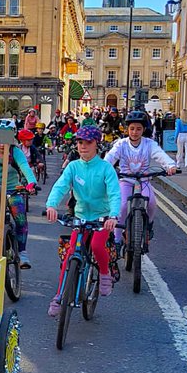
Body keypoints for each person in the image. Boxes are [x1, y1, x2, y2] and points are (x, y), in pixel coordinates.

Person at [45, 125, 120, 316]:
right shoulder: (73, 167)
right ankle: (59, 296)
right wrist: (51, 206)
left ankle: (104, 274)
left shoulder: (106, 168)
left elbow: (114, 194)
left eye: (88, 142)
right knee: (70, 253)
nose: (83, 146)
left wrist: (113, 216)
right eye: (80, 142)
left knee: (96, 245)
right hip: (80, 217)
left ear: (97, 144)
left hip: (102, 218)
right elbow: (60, 186)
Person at [104, 110, 177, 244]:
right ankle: (117, 238)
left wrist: (170, 166)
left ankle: (148, 226)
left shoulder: (149, 144)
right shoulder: (121, 144)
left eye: (138, 129)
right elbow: (110, 157)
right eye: (132, 129)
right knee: (122, 206)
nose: (135, 132)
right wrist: (103, 168)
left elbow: (160, 155)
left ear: (144, 130)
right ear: (127, 129)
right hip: (125, 180)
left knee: (151, 202)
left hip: (143, 180)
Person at [0, 139, 37, 268]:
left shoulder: (15, 152)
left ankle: (22, 252)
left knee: (21, 219)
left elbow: (25, 167)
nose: (1, 144)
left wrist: (31, 182)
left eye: (4, 141)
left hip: (13, 190)